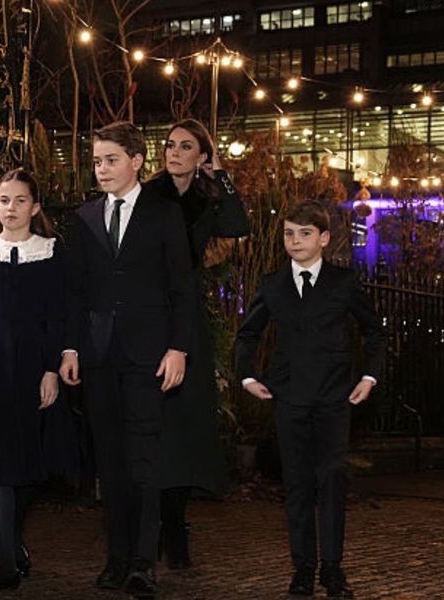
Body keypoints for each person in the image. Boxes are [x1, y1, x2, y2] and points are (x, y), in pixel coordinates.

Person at [58, 121, 196, 599]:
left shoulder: (164, 214)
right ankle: (116, 560)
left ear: (136, 161)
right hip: (98, 356)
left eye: (110, 159)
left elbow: (182, 287)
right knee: (110, 463)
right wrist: (71, 348)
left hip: (149, 356)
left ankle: (143, 562)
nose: (101, 169)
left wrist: (178, 347)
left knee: (144, 461)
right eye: (96, 161)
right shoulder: (85, 217)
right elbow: (74, 291)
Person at [235, 201, 386, 599]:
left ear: (324, 238)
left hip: (336, 398)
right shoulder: (272, 284)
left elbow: (375, 331)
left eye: (304, 234)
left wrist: (369, 376)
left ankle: (333, 570)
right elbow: (247, 334)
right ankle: (302, 569)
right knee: (298, 485)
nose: (295, 241)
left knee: (332, 481)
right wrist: (248, 376)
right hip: (289, 399)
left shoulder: (344, 282)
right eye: (288, 233)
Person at [0, 169, 78, 592]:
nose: (11, 209)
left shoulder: (53, 251)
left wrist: (50, 370)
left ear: (36, 206)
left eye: (20, 200)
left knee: (28, 467)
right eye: (4, 200)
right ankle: (7, 562)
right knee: (0, 466)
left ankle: (15, 543)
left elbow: (58, 314)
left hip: (34, 367)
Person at [144, 118, 250, 569]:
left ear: (201, 156)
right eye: (169, 145)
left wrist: (220, 175)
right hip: (149, 317)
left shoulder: (209, 197)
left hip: (188, 319)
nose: (174, 152)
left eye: (186, 146)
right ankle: (155, 528)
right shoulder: (150, 194)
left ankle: (177, 524)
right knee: (153, 427)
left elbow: (239, 224)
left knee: (187, 426)